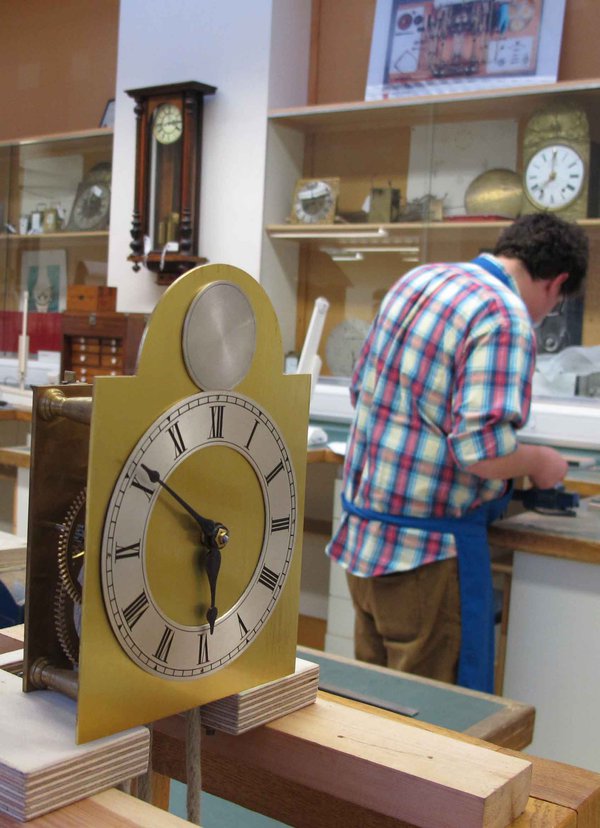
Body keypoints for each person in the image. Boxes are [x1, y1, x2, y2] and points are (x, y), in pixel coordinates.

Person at [326, 213, 589, 693]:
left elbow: (359, 388)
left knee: (370, 713)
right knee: (429, 729)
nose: (544, 315)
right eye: (554, 306)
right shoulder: (504, 315)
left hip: (364, 543)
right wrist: (538, 462)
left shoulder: (418, 279)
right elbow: (479, 450)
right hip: (426, 562)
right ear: (557, 284)